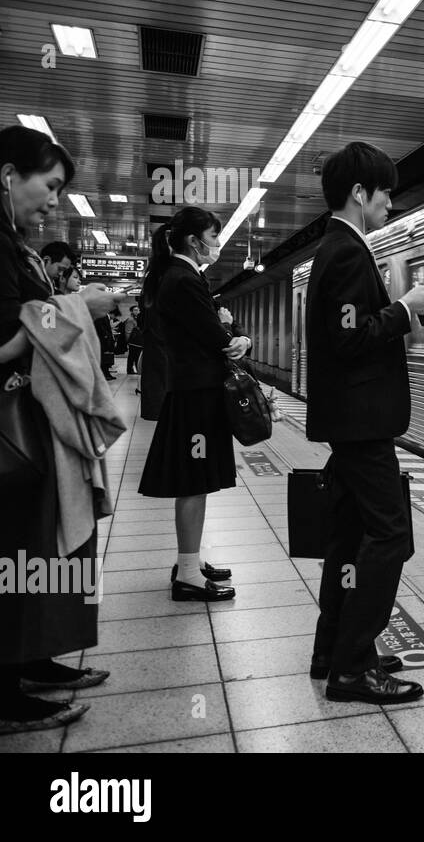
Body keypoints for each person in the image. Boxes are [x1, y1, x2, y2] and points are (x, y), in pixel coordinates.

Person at [305, 141, 424, 705]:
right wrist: (406, 309)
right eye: (386, 193)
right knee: (390, 536)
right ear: (359, 194)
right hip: (361, 425)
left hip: (352, 423)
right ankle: (354, 668)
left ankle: (331, 651)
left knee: (349, 538)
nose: (391, 203)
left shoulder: (336, 249)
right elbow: (350, 337)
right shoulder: (345, 252)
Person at [0, 125, 117, 732]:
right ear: (8, 176)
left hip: (31, 423)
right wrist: (78, 309)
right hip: (9, 430)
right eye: (49, 187)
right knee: (14, 551)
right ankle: (6, 691)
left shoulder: (15, 245)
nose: (53, 201)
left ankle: (33, 660)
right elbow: (5, 340)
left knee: (34, 549)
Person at [137, 206, 251, 602]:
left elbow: (208, 329)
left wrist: (224, 327)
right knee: (194, 482)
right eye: (214, 238)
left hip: (192, 394)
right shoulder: (184, 280)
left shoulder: (178, 277)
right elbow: (214, 337)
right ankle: (187, 573)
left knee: (196, 481)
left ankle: (190, 560)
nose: (216, 245)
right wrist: (235, 335)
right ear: (193, 240)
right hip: (196, 398)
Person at [125, 305, 142, 374]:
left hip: (136, 341)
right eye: (135, 310)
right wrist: (128, 342)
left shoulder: (136, 318)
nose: (137, 311)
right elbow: (127, 331)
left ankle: (132, 369)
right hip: (132, 342)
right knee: (132, 357)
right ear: (131, 311)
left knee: (134, 356)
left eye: (138, 310)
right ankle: (130, 370)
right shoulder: (130, 319)